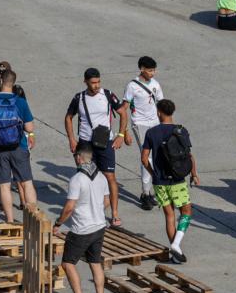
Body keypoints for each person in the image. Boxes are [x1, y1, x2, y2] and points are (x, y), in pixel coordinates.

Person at [57, 142, 113, 293]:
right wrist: (95, 210)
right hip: (99, 226)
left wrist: (58, 223)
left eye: (75, 156)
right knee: (95, 263)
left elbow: (69, 207)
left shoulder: (77, 179)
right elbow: (107, 201)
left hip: (82, 229)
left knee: (68, 263)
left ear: (80, 157)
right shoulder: (101, 177)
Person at [142, 100, 199, 265]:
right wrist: (194, 174)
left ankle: (175, 253)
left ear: (159, 112)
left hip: (160, 182)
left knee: (169, 216)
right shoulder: (180, 130)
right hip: (177, 180)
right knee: (186, 212)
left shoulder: (151, 133)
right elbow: (189, 155)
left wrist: (154, 174)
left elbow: (144, 159)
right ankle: (176, 244)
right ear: (172, 112)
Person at [65, 69, 127, 218]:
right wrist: (72, 139)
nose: (96, 85)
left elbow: (123, 113)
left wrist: (121, 135)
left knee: (109, 176)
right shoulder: (78, 98)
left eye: (98, 82)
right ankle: (87, 210)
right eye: (93, 82)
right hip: (86, 143)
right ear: (85, 81)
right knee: (86, 176)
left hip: (106, 142)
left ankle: (114, 213)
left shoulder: (107, 94)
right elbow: (68, 117)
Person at [0, 69, 36, 221]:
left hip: (0, 148)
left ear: (1, 81)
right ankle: (32, 219)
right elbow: (29, 128)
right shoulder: (20, 101)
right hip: (20, 146)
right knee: (26, 182)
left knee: (4, 185)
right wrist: (30, 135)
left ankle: (10, 221)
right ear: (13, 82)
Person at [123, 57, 165, 207]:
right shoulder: (132, 86)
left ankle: (151, 191)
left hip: (155, 123)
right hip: (139, 124)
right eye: (150, 70)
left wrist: (164, 124)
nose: (153, 73)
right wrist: (124, 131)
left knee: (156, 157)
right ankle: (145, 193)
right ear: (142, 69)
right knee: (146, 158)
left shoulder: (155, 84)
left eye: (154, 70)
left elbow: (161, 105)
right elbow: (124, 109)